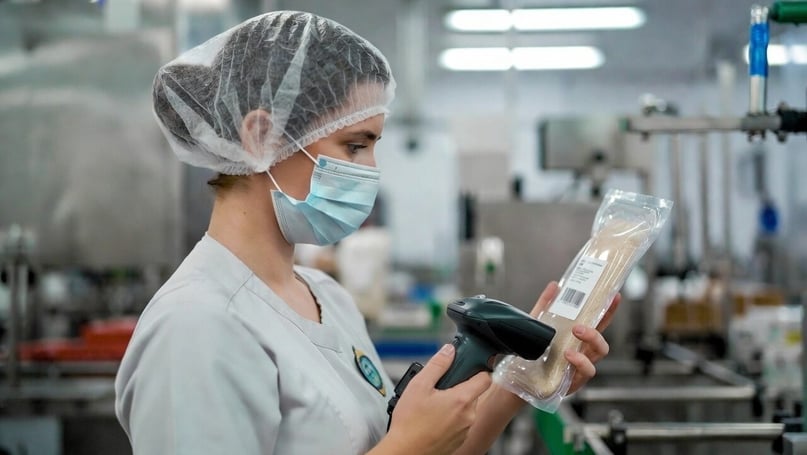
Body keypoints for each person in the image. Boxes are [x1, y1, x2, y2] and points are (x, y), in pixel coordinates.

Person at [114, 11, 618, 455]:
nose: (371, 170)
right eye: (355, 145)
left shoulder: (327, 298)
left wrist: (523, 378)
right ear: (261, 135)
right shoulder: (197, 327)